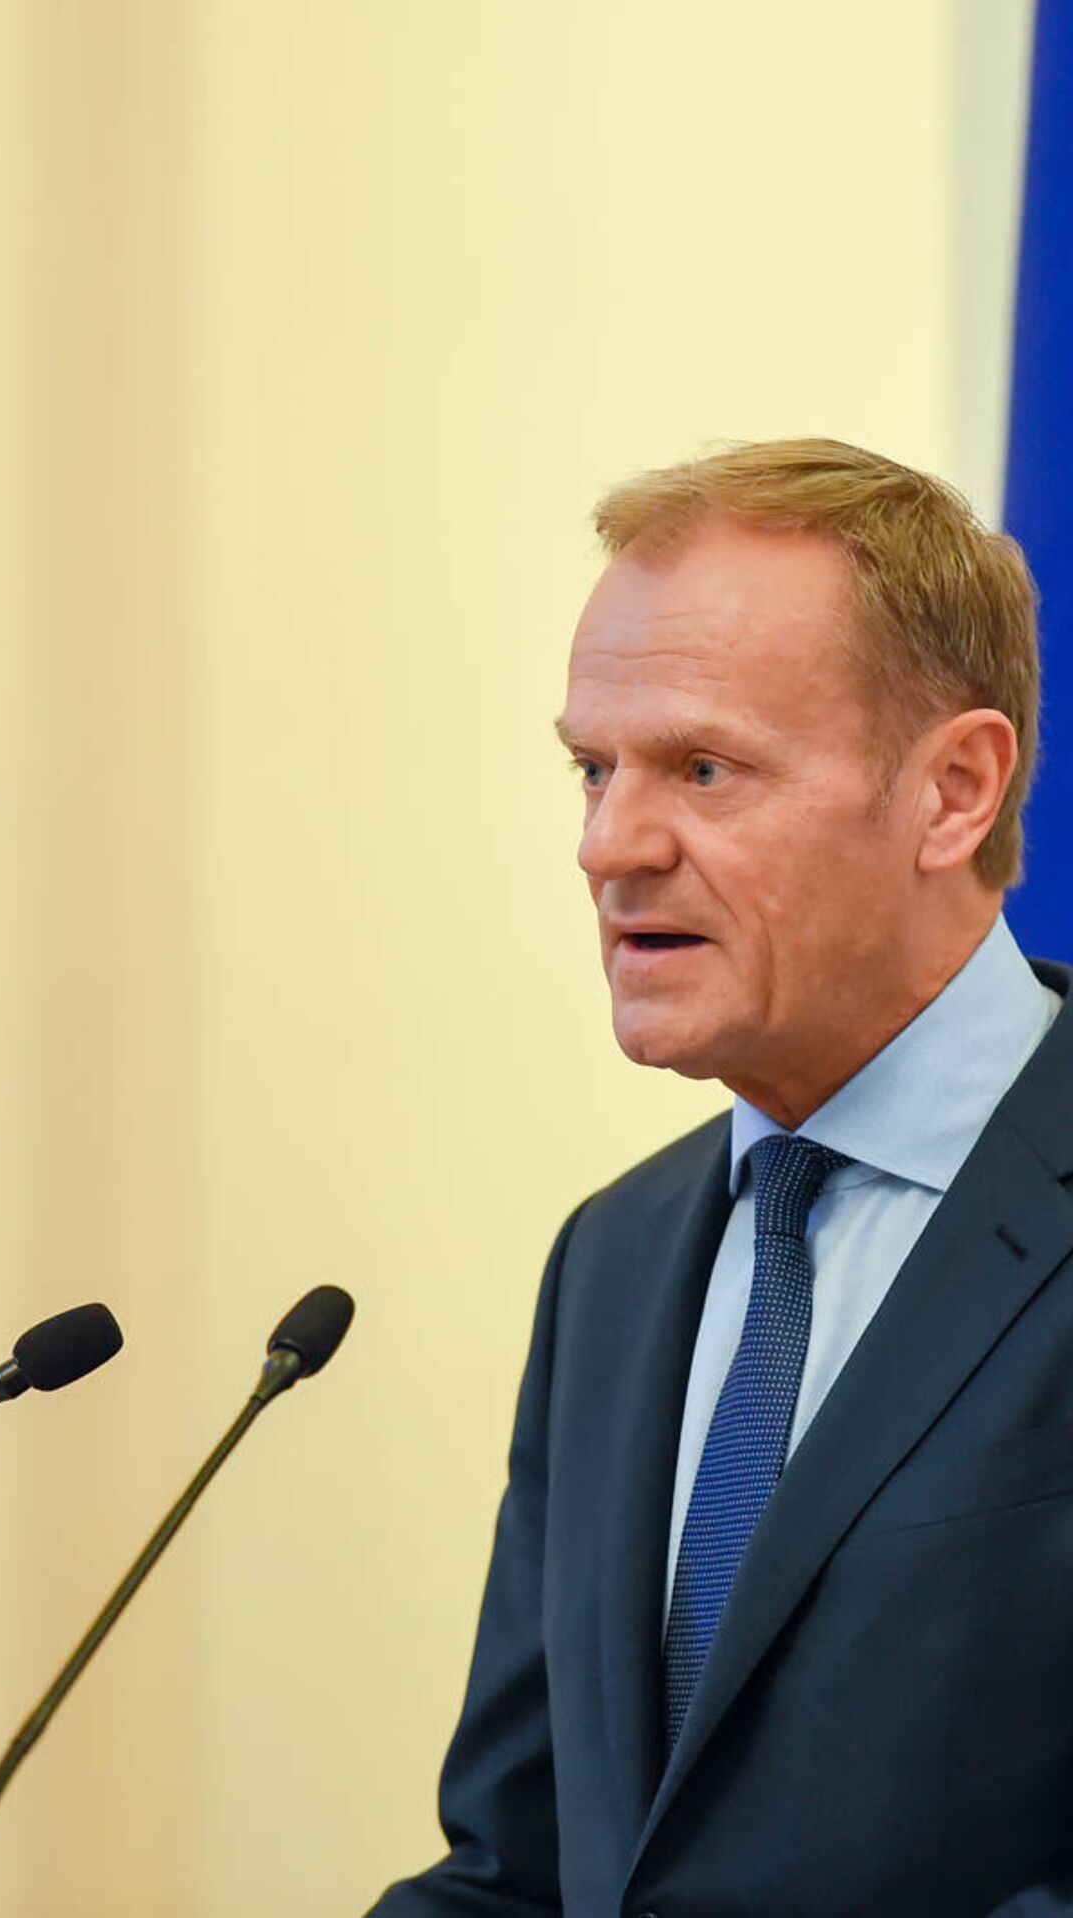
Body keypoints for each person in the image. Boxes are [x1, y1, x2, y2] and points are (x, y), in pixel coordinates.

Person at [368, 439, 1073, 1918]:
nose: (609, 844)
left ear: (953, 791)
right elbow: (520, 1869)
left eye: (703, 768)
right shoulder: (612, 1259)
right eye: (593, 767)